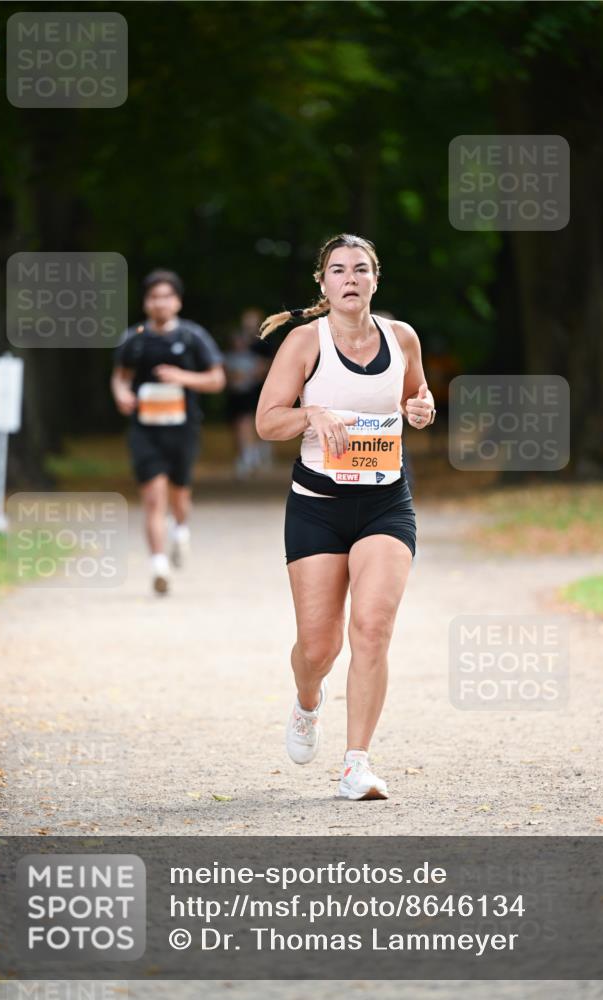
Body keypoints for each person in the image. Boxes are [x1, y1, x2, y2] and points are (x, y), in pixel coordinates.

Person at [255, 234, 435, 801]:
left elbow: (416, 397)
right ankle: (309, 702)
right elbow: (266, 422)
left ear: (375, 280)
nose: (350, 278)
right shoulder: (305, 343)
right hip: (317, 508)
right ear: (323, 283)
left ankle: (357, 764)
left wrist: (422, 408)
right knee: (318, 648)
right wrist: (311, 413)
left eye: (361, 269)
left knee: (372, 630)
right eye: (338, 270)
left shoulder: (402, 336)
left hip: (386, 503)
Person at [111, 270, 225, 595]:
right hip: (144, 429)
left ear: (177, 301)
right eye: (153, 297)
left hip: (183, 428)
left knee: (179, 495)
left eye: (166, 296)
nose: (160, 303)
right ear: (146, 303)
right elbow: (120, 377)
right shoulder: (133, 338)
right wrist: (121, 394)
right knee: (151, 498)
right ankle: (158, 565)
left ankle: (180, 529)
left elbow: (217, 380)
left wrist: (182, 377)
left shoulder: (193, 337)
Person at [223, 308, 274, 478]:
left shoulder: (265, 342)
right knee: (241, 422)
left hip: (259, 389)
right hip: (240, 392)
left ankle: (257, 452)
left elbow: (269, 366)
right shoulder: (236, 348)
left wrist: (253, 373)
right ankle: (248, 454)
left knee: (253, 420)